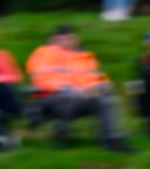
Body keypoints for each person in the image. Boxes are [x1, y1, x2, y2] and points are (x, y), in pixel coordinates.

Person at [25, 23, 131, 151]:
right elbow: (41, 80)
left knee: (104, 100)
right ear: (53, 40)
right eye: (62, 39)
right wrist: (72, 90)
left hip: (80, 97)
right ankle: (61, 130)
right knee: (68, 97)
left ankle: (113, 141)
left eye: (70, 38)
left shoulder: (84, 57)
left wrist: (100, 87)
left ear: (76, 39)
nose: (66, 42)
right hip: (50, 97)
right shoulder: (44, 53)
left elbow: (95, 78)